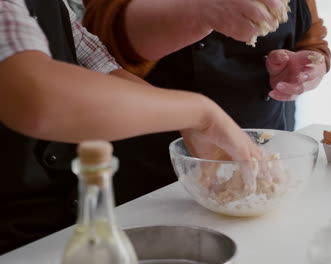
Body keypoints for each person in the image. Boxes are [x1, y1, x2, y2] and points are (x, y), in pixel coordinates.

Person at [0, 0, 268, 253]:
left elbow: (99, 65)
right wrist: (201, 114)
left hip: (54, 233)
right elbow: (38, 99)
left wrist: (192, 124)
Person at [81, 0, 331, 196]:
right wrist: (200, 13)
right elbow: (102, 43)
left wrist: (309, 64)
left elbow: (311, 37)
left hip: (270, 144)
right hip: (157, 170)